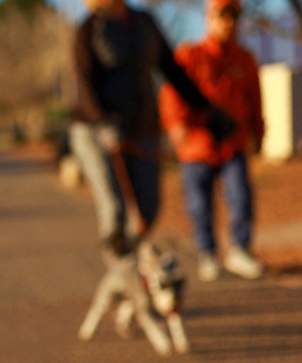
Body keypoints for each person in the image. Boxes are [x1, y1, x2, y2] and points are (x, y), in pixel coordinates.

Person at [71, 0, 233, 257]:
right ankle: (123, 271)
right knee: (116, 211)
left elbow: (172, 70)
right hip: (98, 132)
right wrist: (102, 122)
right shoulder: (88, 29)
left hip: (142, 129)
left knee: (148, 209)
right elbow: (83, 84)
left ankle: (133, 265)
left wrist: (207, 110)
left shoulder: (144, 22)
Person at [159, 0, 265, 280]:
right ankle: (207, 253)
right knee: (199, 205)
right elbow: (172, 92)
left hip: (233, 142)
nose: (228, 24)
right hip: (197, 144)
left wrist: (259, 132)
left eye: (233, 17)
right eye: (222, 17)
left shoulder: (244, 59)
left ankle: (240, 249)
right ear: (209, 19)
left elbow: (255, 99)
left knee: (241, 197)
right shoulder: (190, 55)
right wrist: (176, 123)